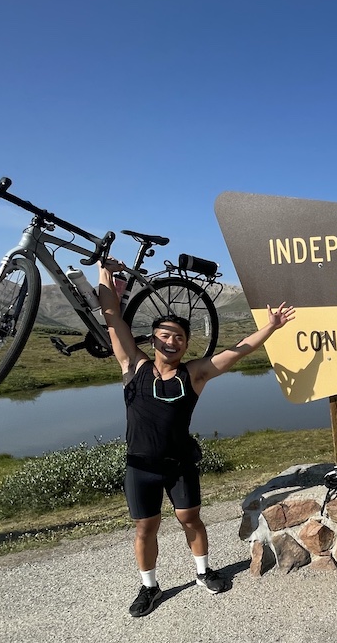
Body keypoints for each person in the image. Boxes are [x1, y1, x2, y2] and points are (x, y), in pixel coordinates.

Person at [97, 258, 296, 618]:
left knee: (190, 519)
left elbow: (239, 351)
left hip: (180, 464)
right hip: (140, 466)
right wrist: (104, 275)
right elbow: (112, 317)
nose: (171, 341)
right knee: (146, 527)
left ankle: (204, 572)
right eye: (165, 335)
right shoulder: (133, 365)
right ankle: (149, 587)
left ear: (186, 344)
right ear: (153, 338)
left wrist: (271, 327)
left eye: (179, 337)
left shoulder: (195, 374)